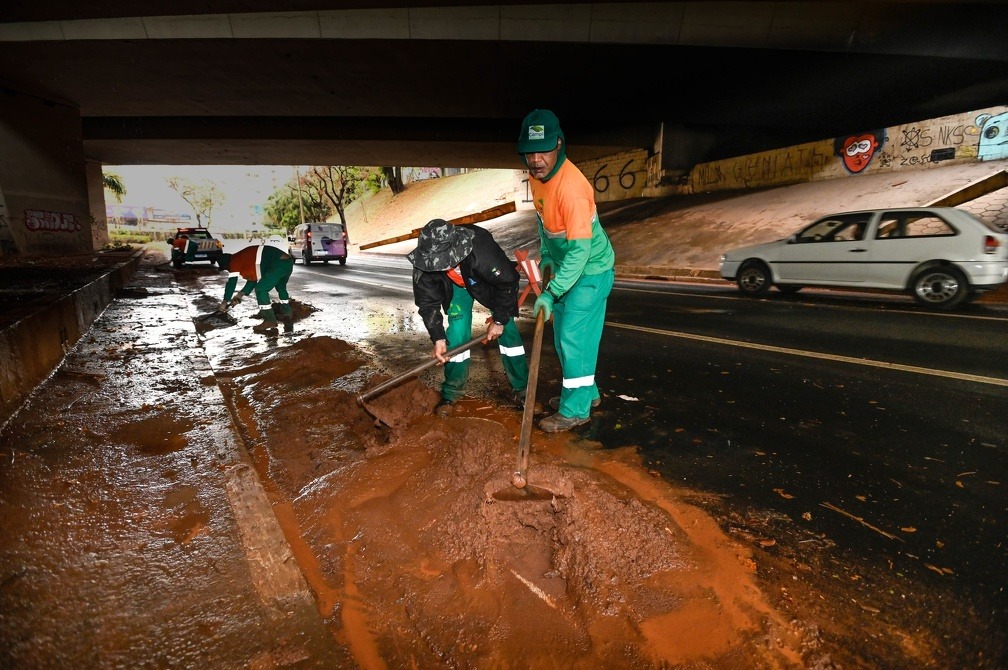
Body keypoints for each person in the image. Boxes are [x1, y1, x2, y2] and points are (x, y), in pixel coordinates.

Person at [518, 109, 616, 433]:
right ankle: (585, 392)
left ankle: (576, 409)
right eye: (530, 152)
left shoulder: (571, 188)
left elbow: (581, 251)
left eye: (543, 150)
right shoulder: (536, 178)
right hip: (564, 267)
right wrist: (546, 255)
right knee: (562, 339)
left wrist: (551, 292)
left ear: (559, 144)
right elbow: (543, 218)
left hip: (591, 270)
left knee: (574, 336)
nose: (536, 160)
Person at [408, 218, 529, 417]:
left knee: (508, 330)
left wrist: (498, 320)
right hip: (456, 287)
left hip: (486, 281)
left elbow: (508, 282)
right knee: (456, 333)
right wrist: (437, 338)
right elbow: (427, 304)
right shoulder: (425, 260)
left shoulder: (480, 247)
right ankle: (451, 393)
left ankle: (523, 388)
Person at [217, 244, 296, 334]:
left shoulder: (234, 261)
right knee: (280, 287)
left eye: (227, 269)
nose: (229, 270)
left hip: (277, 264)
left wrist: (225, 301)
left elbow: (231, 283)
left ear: (227, 264)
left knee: (260, 289)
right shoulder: (244, 258)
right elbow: (253, 280)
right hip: (287, 263)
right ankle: (287, 313)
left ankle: (269, 320)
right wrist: (239, 295)